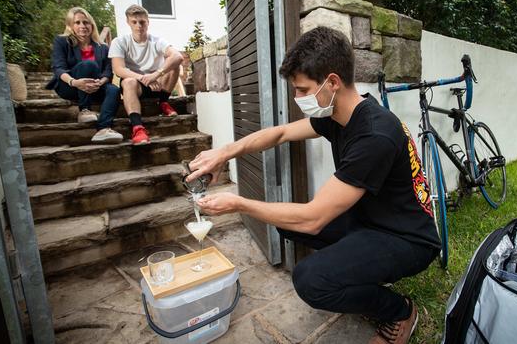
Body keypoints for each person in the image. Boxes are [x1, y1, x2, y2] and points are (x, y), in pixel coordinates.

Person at [186, 27, 440, 344]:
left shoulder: (374, 134)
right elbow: (278, 134)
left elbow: (313, 217)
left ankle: (399, 311)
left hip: (408, 239)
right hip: (372, 220)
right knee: (287, 225)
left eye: (302, 90)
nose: (297, 99)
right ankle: (360, 274)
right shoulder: (339, 114)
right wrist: (222, 152)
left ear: (332, 82)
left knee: (310, 280)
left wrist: (238, 203)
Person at [108, 4, 184, 145]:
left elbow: (178, 56)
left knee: (175, 66)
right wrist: (144, 78)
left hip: (157, 85)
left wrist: (155, 75)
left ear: (148, 22)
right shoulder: (119, 42)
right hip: (136, 87)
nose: (139, 26)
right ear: (128, 22)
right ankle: (138, 128)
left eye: (142, 22)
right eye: (134, 22)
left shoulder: (157, 41)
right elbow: (118, 69)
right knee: (128, 81)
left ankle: (163, 102)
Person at [47, 7, 123, 143]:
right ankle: (85, 110)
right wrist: (74, 82)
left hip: (95, 86)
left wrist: (102, 81)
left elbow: (107, 71)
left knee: (114, 89)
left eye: (86, 22)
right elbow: (58, 68)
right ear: (71, 25)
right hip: (69, 86)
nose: (82, 26)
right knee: (89, 65)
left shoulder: (103, 47)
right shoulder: (62, 42)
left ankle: (103, 129)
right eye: (77, 22)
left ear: (91, 25)